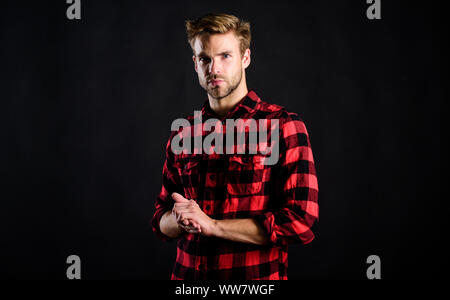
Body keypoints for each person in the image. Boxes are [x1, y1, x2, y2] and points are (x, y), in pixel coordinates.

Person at [152, 13, 319, 280]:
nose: (214, 68)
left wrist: (212, 226)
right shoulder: (183, 135)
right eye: (205, 58)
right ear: (195, 64)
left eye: (225, 56)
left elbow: (300, 222)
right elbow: (160, 221)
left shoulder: (282, 126)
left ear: (245, 58)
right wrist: (180, 219)